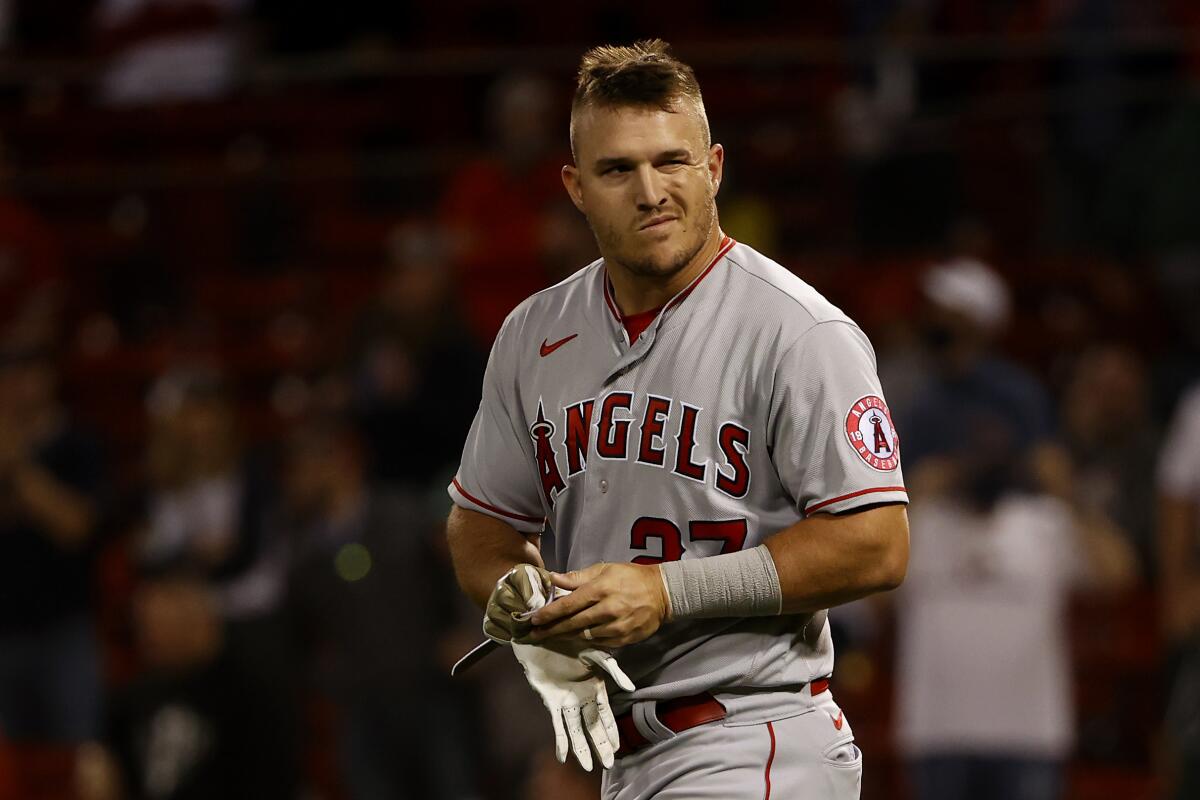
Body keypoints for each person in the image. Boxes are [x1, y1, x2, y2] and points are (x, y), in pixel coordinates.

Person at [445, 40, 910, 800]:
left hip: (753, 735)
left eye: (672, 161)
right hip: (618, 757)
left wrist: (668, 592)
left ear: (715, 168)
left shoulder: (797, 331)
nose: (650, 190)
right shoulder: (533, 334)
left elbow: (877, 543)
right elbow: (481, 526)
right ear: (575, 187)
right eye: (618, 169)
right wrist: (525, 600)